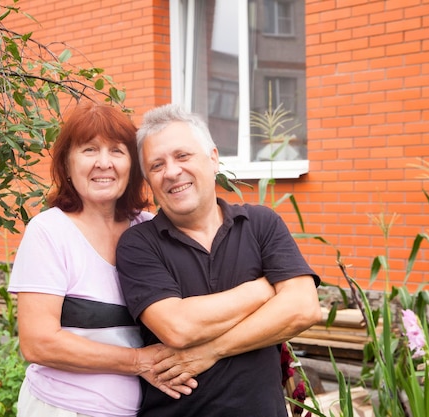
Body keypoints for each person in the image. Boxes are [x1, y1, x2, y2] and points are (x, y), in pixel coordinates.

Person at [115, 104, 322, 417]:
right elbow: (178, 327)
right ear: (148, 181)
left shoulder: (261, 224)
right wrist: (264, 290)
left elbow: (303, 309)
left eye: (182, 156)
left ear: (213, 159)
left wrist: (210, 350)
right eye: (157, 165)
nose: (171, 171)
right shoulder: (139, 244)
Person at [7, 101, 198, 417]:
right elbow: (37, 343)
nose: (103, 163)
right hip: (62, 408)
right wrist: (138, 362)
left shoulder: (150, 229)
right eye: (89, 150)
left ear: (132, 166)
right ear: (67, 165)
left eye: (117, 151)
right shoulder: (49, 231)